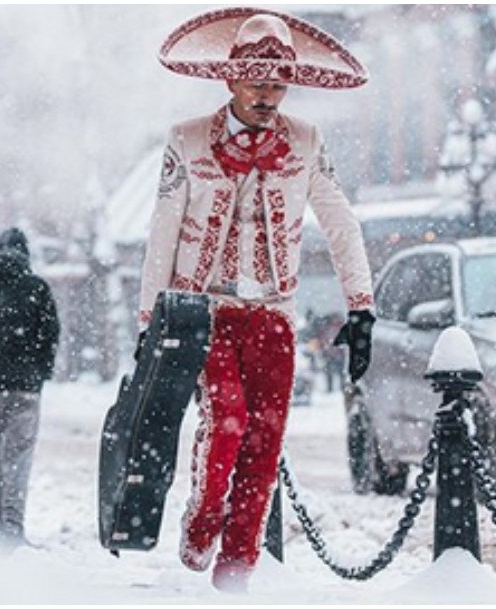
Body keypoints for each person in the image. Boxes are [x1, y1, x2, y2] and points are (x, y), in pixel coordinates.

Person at [144, 9, 375, 591]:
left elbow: (340, 221)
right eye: (258, 82)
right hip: (206, 312)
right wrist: (153, 319)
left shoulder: (307, 140)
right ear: (231, 81)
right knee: (227, 423)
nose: (270, 95)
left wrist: (361, 304)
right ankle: (202, 519)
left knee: (265, 442)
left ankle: (237, 572)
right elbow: (162, 233)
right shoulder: (186, 139)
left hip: (273, 313)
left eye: (278, 84)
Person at [0, 228, 60, 549]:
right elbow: (50, 335)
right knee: (19, 456)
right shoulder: (37, 288)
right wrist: (39, 373)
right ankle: (13, 525)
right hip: (26, 387)